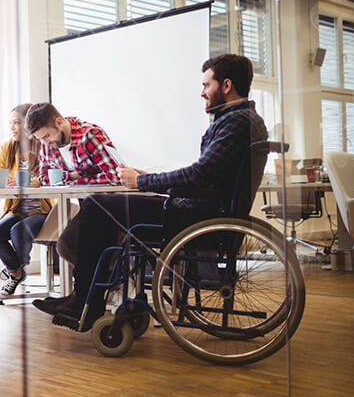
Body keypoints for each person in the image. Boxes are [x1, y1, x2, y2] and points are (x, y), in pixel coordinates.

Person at [32, 54, 269, 330]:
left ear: (226, 85)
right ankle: (86, 297)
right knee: (102, 206)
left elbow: (200, 174)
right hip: (201, 210)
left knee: (98, 205)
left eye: (207, 85)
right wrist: (148, 178)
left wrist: (144, 183)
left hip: (196, 217)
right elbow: (205, 173)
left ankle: (85, 299)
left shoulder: (236, 122)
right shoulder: (239, 120)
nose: (202, 92)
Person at [0, 104, 55, 296]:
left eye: (17, 122)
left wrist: (21, 182)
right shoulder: (8, 148)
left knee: (18, 231)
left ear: (29, 124)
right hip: (17, 209)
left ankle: (14, 271)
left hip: (43, 210)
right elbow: (0, 172)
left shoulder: (44, 146)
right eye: (11, 123)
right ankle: (16, 272)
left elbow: (47, 179)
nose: (12, 127)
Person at [23, 102, 122, 186]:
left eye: (47, 136)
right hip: (73, 202)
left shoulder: (89, 135)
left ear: (59, 122)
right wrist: (71, 176)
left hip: (105, 202)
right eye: (40, 139)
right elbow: (44, 179)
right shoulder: (47, 144)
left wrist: (78, 181)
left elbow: (114, 176)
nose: (45, 143)